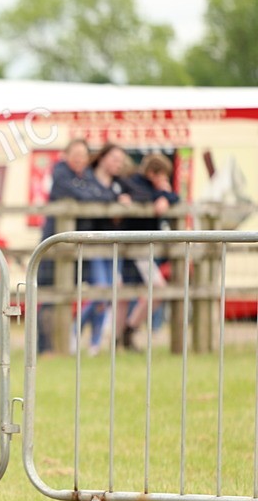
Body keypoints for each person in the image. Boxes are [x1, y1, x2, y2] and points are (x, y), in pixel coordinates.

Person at [71, 143, 132, 355]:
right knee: (101, 290)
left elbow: (138, 195)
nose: (119, 164)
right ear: (104, 157)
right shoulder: (87, 178)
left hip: (114, 244)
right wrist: (115, 201)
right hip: (92, 242)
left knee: (109, 293)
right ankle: (76, 330)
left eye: (121, 161)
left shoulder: (119, 184)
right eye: (115, 159)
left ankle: (94, 342)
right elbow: (87, 198)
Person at [117, 153, 179, 349]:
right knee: (147, 290)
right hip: (135, 246)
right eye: (161, 176)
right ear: (152, 173)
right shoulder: (135, 182)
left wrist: (164, 194)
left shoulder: (151, 187)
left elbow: (175, 197)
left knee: (130, 294)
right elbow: (142, 198)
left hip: (142, 247)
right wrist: (162, 194)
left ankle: (126, 332)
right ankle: (124, 333)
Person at [38, 139, 93, 353]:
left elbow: (93, 196)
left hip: (72, 247)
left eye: (83, 154)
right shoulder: (60, 174)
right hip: (53, 245)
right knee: (48, 296)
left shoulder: (86, 177)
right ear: (66, 155)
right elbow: (85, 197)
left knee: (68, 296)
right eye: (76, 153)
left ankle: (63, 344)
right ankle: (45, 346)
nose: (79, 159)